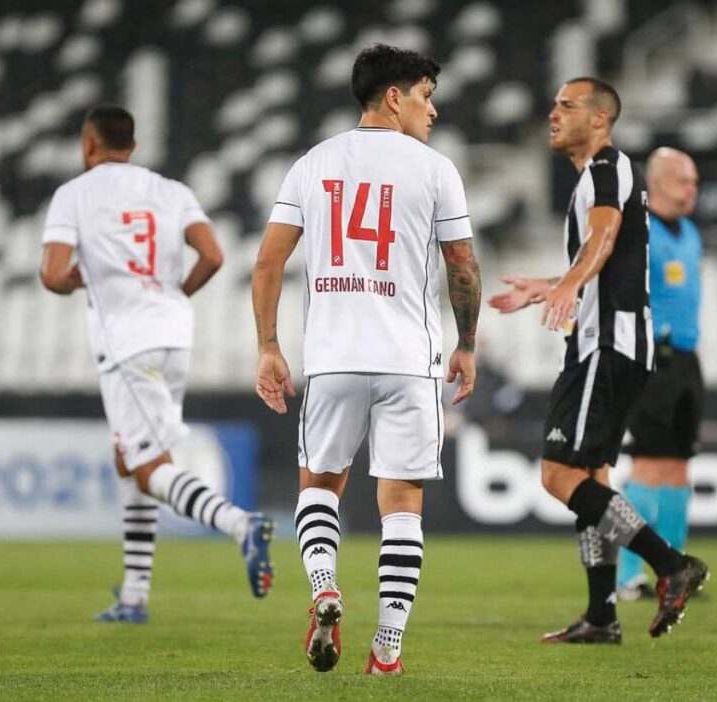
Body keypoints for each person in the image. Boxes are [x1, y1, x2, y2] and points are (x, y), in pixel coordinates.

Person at [251, 44, 480, 675]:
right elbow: (461, 265)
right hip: (410, 358)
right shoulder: (436, 170)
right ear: (394, 97)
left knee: (319, 484)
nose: (433, 109)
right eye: (426, 95)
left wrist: (269, 346)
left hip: (334, 356)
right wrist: (467, 343)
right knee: (402, 499)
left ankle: (324, 587)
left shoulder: (312, 165)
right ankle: (387, 650)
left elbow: (269, 262)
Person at [488, 78, 707, 644]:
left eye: (567, 105)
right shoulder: (599, 174)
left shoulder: (607, 168)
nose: (554, 113)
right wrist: (550, 285)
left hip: (605, 347)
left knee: (559, 476)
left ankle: (670, 564)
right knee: (594, 479)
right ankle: (602, 615)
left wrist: (568, 286)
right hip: (620, 344)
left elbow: (605, 235)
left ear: (601, 118)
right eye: (554, 103)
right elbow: (610, 256)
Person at [40, 105, 274, 623]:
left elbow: (52, 273)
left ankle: (240, 524)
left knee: (149, 467)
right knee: (132, 458)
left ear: (88, 144)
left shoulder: (74, 195)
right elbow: (212, 255)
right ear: (134, 145)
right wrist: (173, 296)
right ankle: (134, 594)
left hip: (128, 341)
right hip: (174, 336)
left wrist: (91, 279)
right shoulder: (172, 190)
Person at [618, 147, 704, 601]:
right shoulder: (641, 231)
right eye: (684, 181)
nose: (692, 190)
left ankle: (676, 571)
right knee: (648, 466)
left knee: (679, 467)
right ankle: (628, 575)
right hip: (652, 358)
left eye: (694, 182)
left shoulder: (689, 232)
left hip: (688, 359)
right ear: (659, 182)